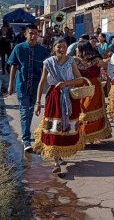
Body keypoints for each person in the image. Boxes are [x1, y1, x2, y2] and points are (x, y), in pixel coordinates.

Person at [33, 38, 84, 173]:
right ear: (53, 48)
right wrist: (38, 103)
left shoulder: (71, 61)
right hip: (53, 97)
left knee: (65, 126)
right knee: (54, 127)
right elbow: (42, 82)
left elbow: (80, 79)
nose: (62, 50)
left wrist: (66, 83)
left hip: (68, 97)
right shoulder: (48, 63)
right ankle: (56, 160)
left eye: (64, 47)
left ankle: (60, 153)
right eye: (59, 47)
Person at [7, 24, 50, 152]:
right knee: (24, 111)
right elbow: (13, 66)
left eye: (35, 33)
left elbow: (46, 69)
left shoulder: (42, 50)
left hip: (36, 87)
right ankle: (26, 139)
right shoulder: (18, 48)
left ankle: (26, 133)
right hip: (22, 86)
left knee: (30, 111)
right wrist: (10, 85)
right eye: (30, 33)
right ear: (25, 34)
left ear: (38, 35)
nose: (33, 36)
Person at [74, 41, 112, 144]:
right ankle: (83, 136)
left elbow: (108, 67)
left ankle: (89, 136)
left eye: (78, 48)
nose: (76, 50)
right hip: (80, 88)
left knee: (90, 111)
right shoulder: (74, 60)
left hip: (94, 89)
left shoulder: (96, 60)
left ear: (83, 50)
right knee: (81, 111)